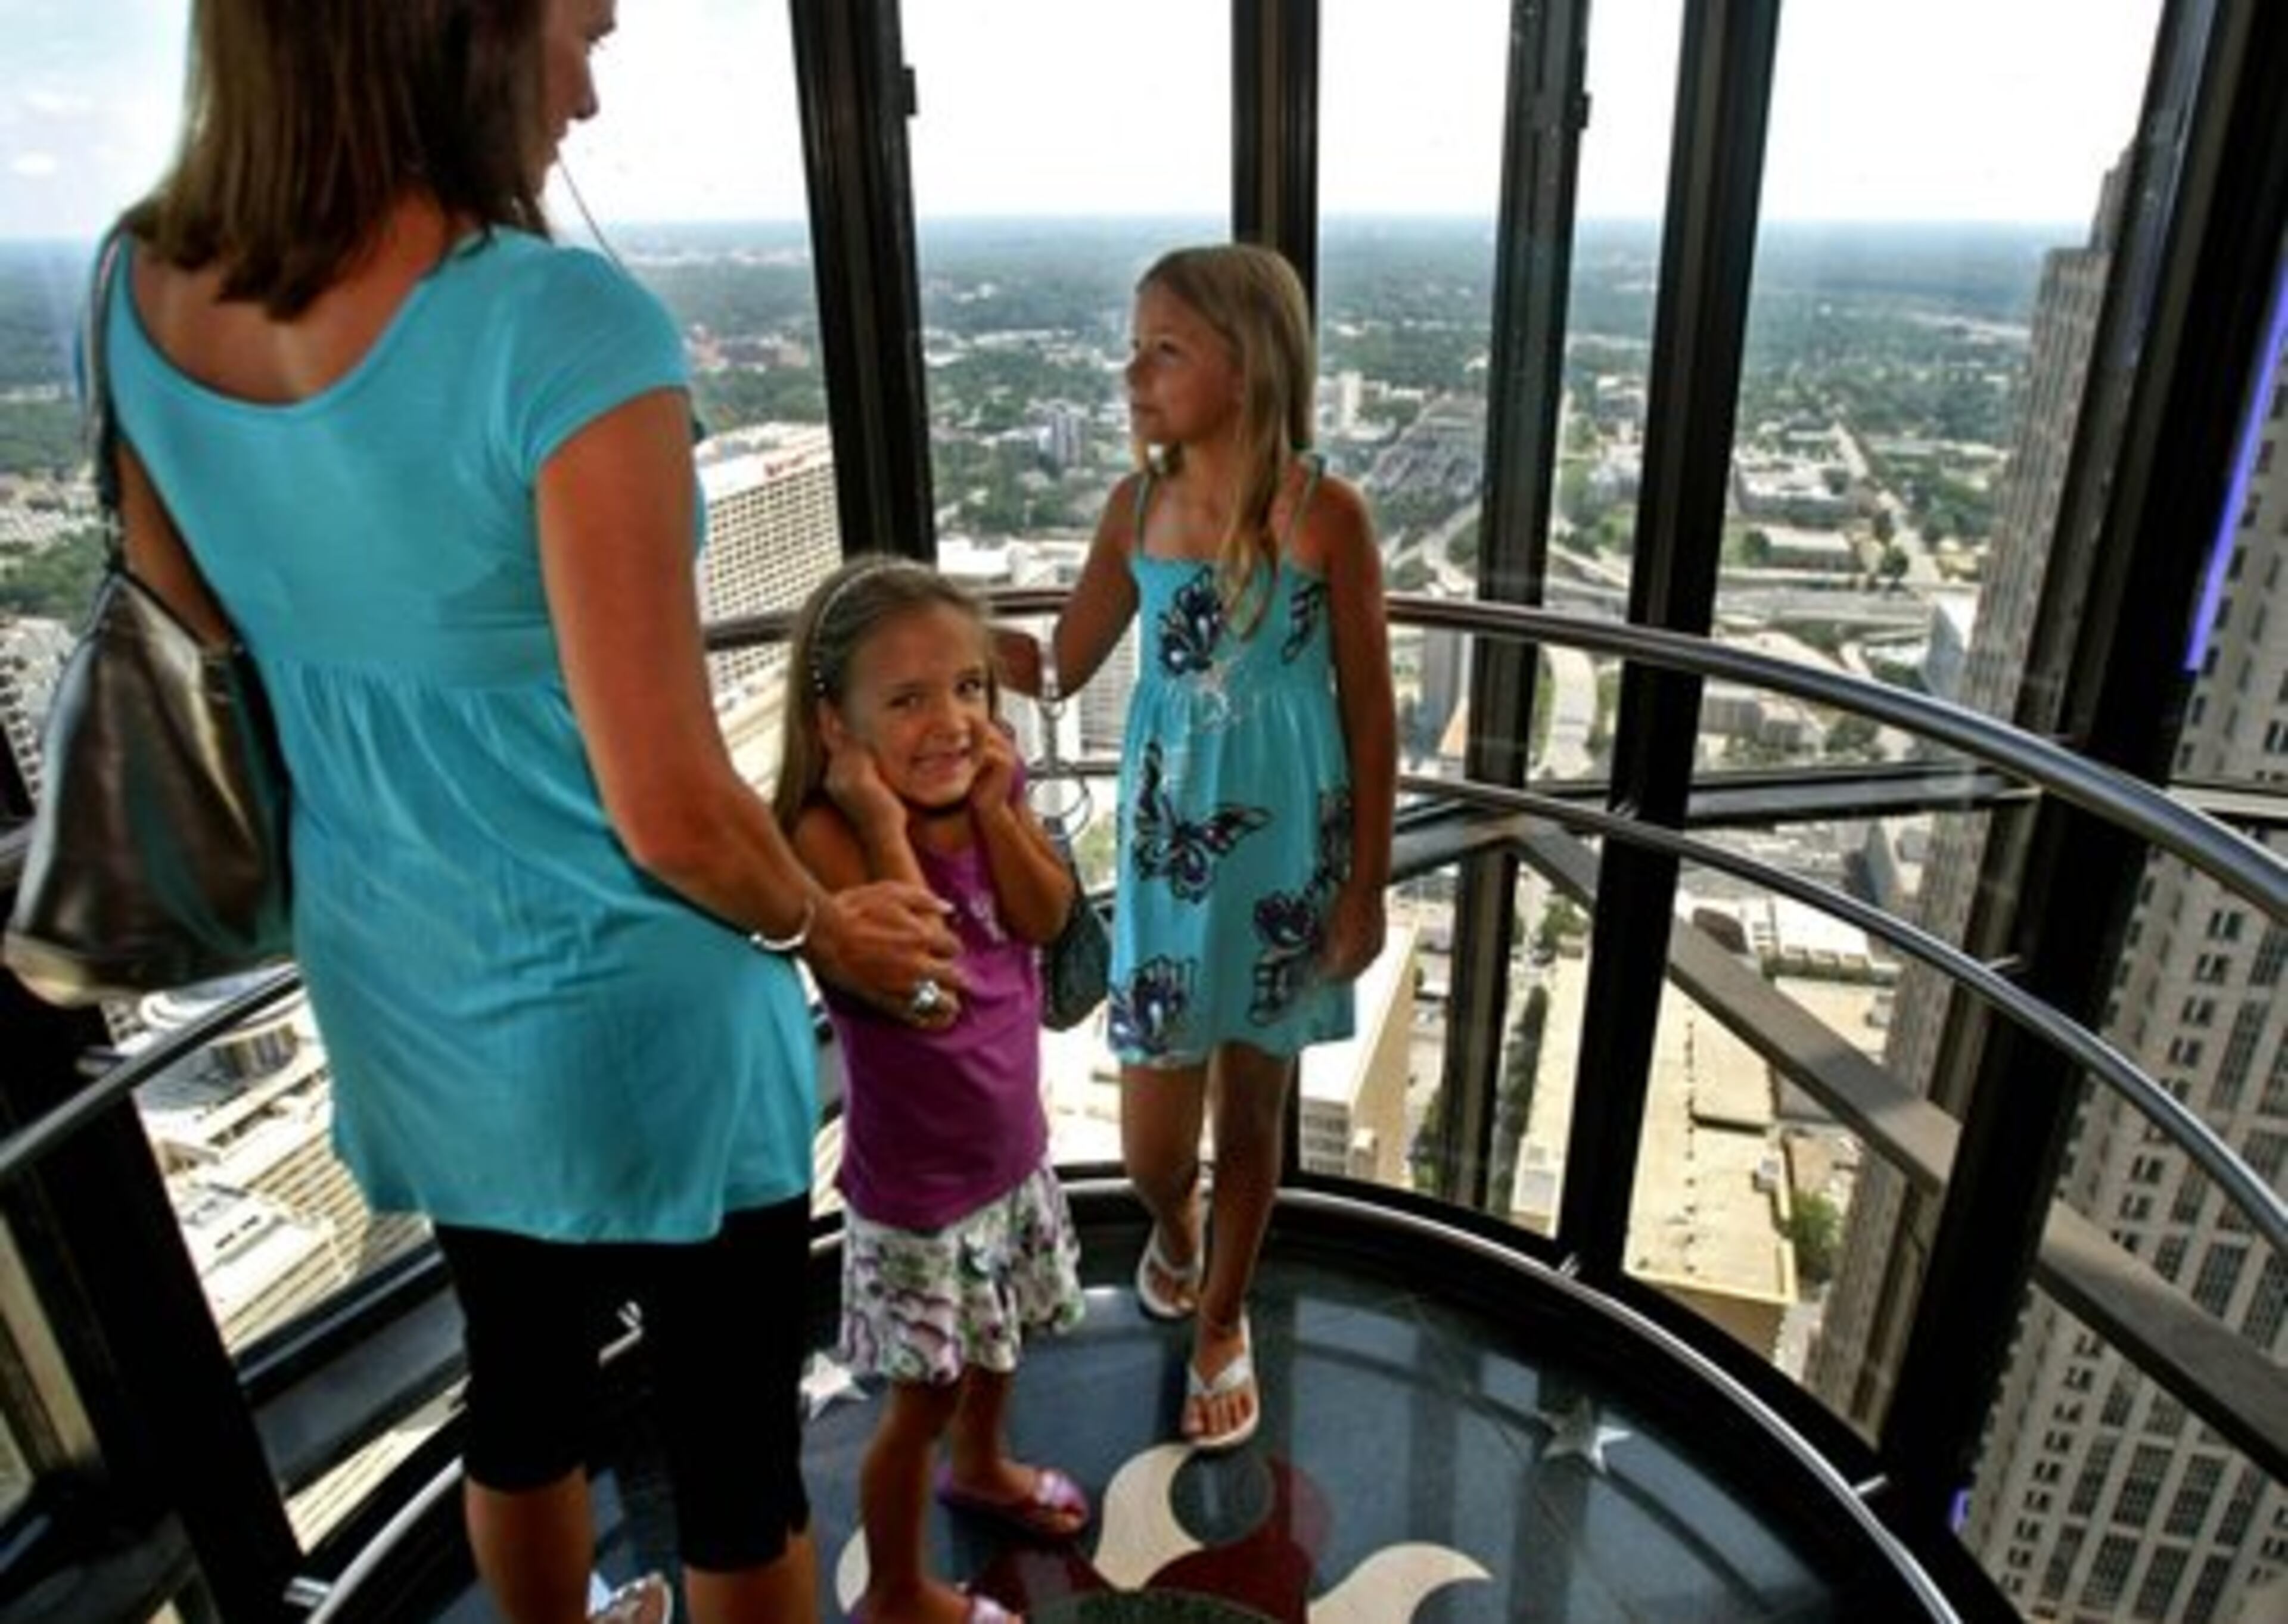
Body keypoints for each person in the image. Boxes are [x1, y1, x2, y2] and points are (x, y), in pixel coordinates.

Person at [102, 3, 964, 1620]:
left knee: (517, 1392)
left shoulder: (137, 292)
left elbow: (196, 637)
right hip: (639, 1016)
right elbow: (668, 804)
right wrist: (825, 920)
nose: (584, 86)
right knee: (732, 1457)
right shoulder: (565, 330)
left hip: (404, 983)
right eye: (577, 30)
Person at [998, 244, 1395, 1453]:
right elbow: (1063, 661)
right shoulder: (1135, 513)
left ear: (1248, 361)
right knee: (1157, 1143)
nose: (1133, 372)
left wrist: (1366, 885)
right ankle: (1180, 1231)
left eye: (1164, 348)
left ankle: (1224, 1318)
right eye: (1135, 346)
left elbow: (1372, 710)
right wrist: (937, 628)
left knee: (1257, 1111)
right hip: (1175, 864)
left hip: (1289, 869)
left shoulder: (1326, 515)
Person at [778, 558, 1090, 1624]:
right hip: (916, 1203)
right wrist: (876, 821)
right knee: (920, 1403)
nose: (950, 720)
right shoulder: (827, 837)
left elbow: (1047, 919)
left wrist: (1003, 812)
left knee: (997, 1348)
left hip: (1010, 1164)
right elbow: (929, 989)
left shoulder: (981, 804)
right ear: (836, 725)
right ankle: (901, 1588)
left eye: (966, 687)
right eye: (906, 700)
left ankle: (986, 1465)